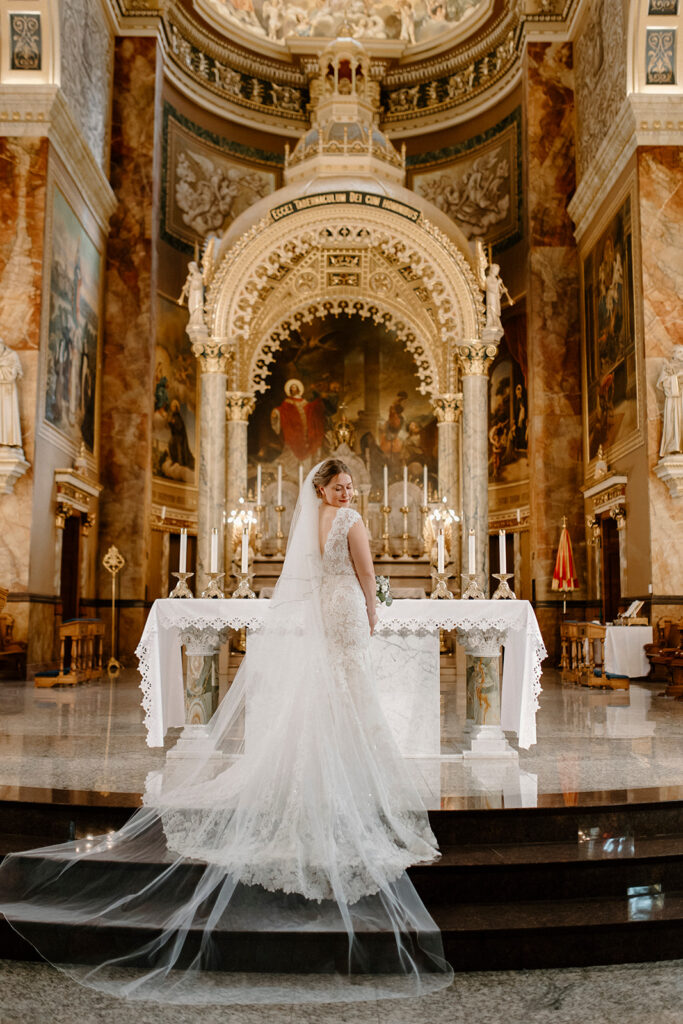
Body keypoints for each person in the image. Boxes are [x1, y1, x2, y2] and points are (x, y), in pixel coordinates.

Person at [0, 458, 452, 1006]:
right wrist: (374, 613)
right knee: (352, 698)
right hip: (348, 613)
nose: (347, 490)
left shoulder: (308, 522)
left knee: (324, 698)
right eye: (341, 485)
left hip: (318, 615)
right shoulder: (352, 520)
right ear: (326, 488)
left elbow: (306, 576)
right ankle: (352, 786)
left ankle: (315, 779)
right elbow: (365, 573)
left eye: (350, 485)